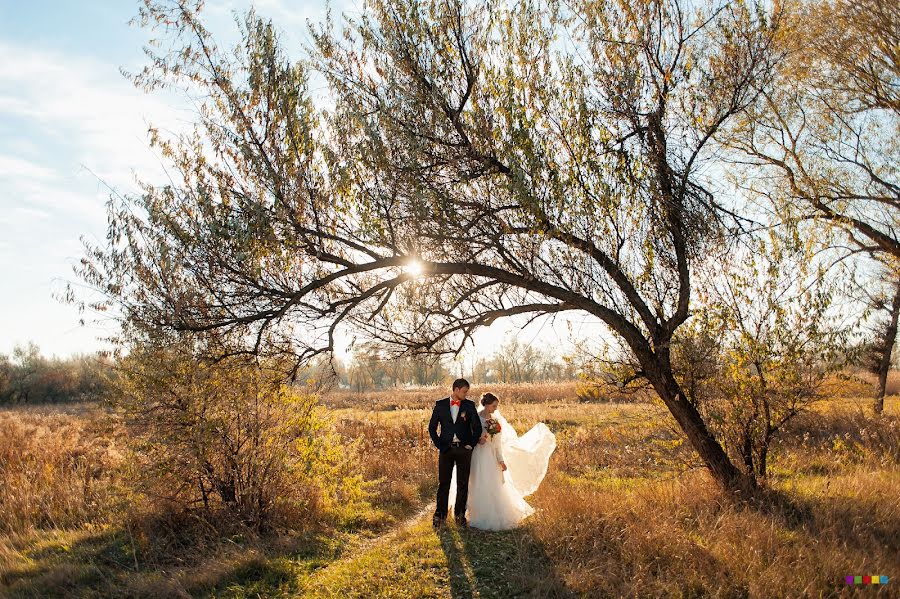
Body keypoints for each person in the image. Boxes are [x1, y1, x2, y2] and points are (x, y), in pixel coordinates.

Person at [449, 392, 557, 531]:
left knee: (490, 483)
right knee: (474, 482)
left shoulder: (495, 421)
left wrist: (500, 460)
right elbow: (465, 436)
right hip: (475, 455)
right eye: (494, 406)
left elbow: (497, 443)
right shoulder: (474, 417)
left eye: (496, 406)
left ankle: (489, 513)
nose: (495, 409)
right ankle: (470, 513)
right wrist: (477, 440)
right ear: (487, 405)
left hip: (489, 456)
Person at [428, 378, 483, 528]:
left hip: (464, 451)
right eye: (464, 391)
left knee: (462, 484)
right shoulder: (440, 405)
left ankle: (460, 516)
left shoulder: (469, 405)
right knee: (443, 484)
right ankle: (439, 516)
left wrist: (470, 444)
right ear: (456, 390)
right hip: (446, 449)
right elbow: (432, 427)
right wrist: (439, 444)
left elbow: (477, 428)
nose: (466, 394)